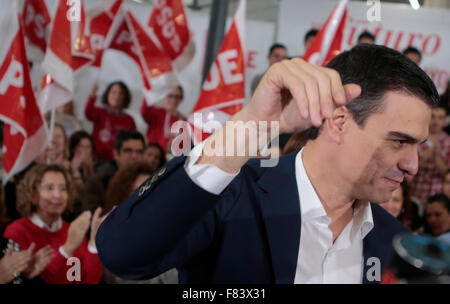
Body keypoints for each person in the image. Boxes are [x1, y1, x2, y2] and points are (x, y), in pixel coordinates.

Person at [96, 44, 439, 284]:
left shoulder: (396, 244)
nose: (412, 166)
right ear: (339, 122)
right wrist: (253, 123)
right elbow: (124, 254)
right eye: (399, 141)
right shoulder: (233, 195)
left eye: (418, 146)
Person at [3, 164, 105, 284]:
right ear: (32, 194)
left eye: (63, 188)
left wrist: (93, 244)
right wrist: (67, 249)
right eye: (49, 188)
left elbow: (81, 280)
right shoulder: (17, 231)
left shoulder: (73, 230)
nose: (57, 195)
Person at [410, 102, 450, 203]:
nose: (436, 121)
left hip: (438, 195)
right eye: (433, 116)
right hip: (415, 192)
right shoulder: (417, 137)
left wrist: (436, 157)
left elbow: (447, 173)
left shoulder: (448, 142)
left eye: (440, 118)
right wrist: (423, 158)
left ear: (445, 120)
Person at [85, 82, 136, 161]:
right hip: (98, 159)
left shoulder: (129, 119)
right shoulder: (100, 113)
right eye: (113, 92)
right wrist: (92, 94)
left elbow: (133, 141)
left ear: (125, 97)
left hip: (121, 161)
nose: (117, 96)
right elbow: (88, 113)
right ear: (107, 94)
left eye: (121, 93)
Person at [140, 86, 187, 154]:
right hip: (154, 158)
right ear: (164, 96)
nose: (173, 100)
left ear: (181, 99)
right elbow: (144, 111)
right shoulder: (156, 113)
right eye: (170, 96)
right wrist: (150, 88)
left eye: (177, 97)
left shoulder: (184, 121)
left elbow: (187, 144)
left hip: (174, 160)